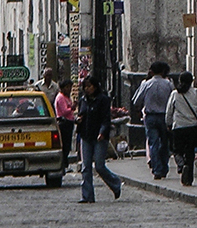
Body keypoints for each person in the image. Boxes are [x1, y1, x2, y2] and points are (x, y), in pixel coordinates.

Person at [77, 75, 122, 203]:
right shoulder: (83, 100)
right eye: (85, 87)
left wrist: (102, 132)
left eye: (89, 86)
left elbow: (105, 119)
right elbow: (81, 114)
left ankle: (115, 183)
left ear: (95, 87)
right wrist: (78, 120)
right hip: (86, 136)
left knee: (99, 166)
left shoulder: (103, 100)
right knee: (86, 167)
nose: (87, 89)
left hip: (99, 137)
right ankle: (87, 196)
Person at [133, 60, 174, 179]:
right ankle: (164, 167)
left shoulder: (146, 84)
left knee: (153, 143)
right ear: (163, 71)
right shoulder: (168, 84)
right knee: (164, 143)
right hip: (164, 116)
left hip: (150, 116)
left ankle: (156, 169)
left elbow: (136, 101)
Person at [167, 71, 197, 187]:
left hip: (178, 126)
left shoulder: (175, 94)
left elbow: (169, 111)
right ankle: (189, 178)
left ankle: (181, 164)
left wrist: (168, 123)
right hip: (193, 127)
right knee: (190, 152)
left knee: (177, 150)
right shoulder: (196, 93)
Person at [54, 79, 75, 171]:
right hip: (64, 123)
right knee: (65, 144)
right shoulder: (61, 97)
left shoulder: (67, 97)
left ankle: (65, 164)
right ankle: (64, 164)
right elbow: (64, 111)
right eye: (67, 87)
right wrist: (73, 108)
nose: (69, 89)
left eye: (70, 87)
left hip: (69, 122)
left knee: (67, 144)